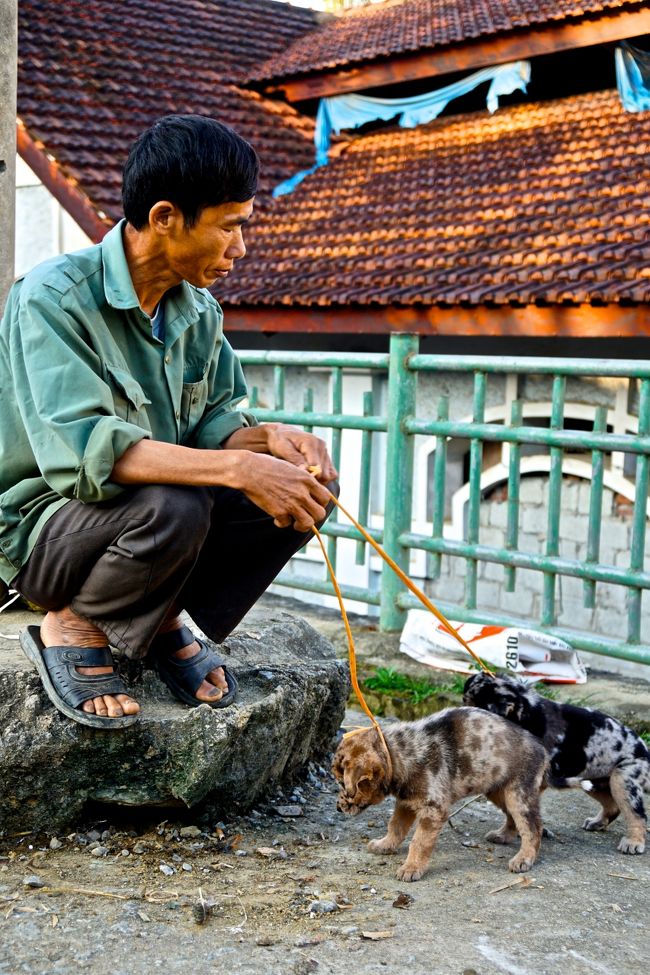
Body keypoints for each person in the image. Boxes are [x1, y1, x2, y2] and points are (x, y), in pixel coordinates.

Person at [0, 114, 337, 729]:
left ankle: (160, 613)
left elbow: (215, 420)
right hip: (40, 533)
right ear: (164, 218)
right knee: (174, 503)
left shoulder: (196, 308)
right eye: (230, 228)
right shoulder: (52, 297)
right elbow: (84, 455)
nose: (241, 249)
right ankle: (74, 622)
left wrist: (267, 442)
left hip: (138, 523)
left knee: (299, 489)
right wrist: (239, 464)